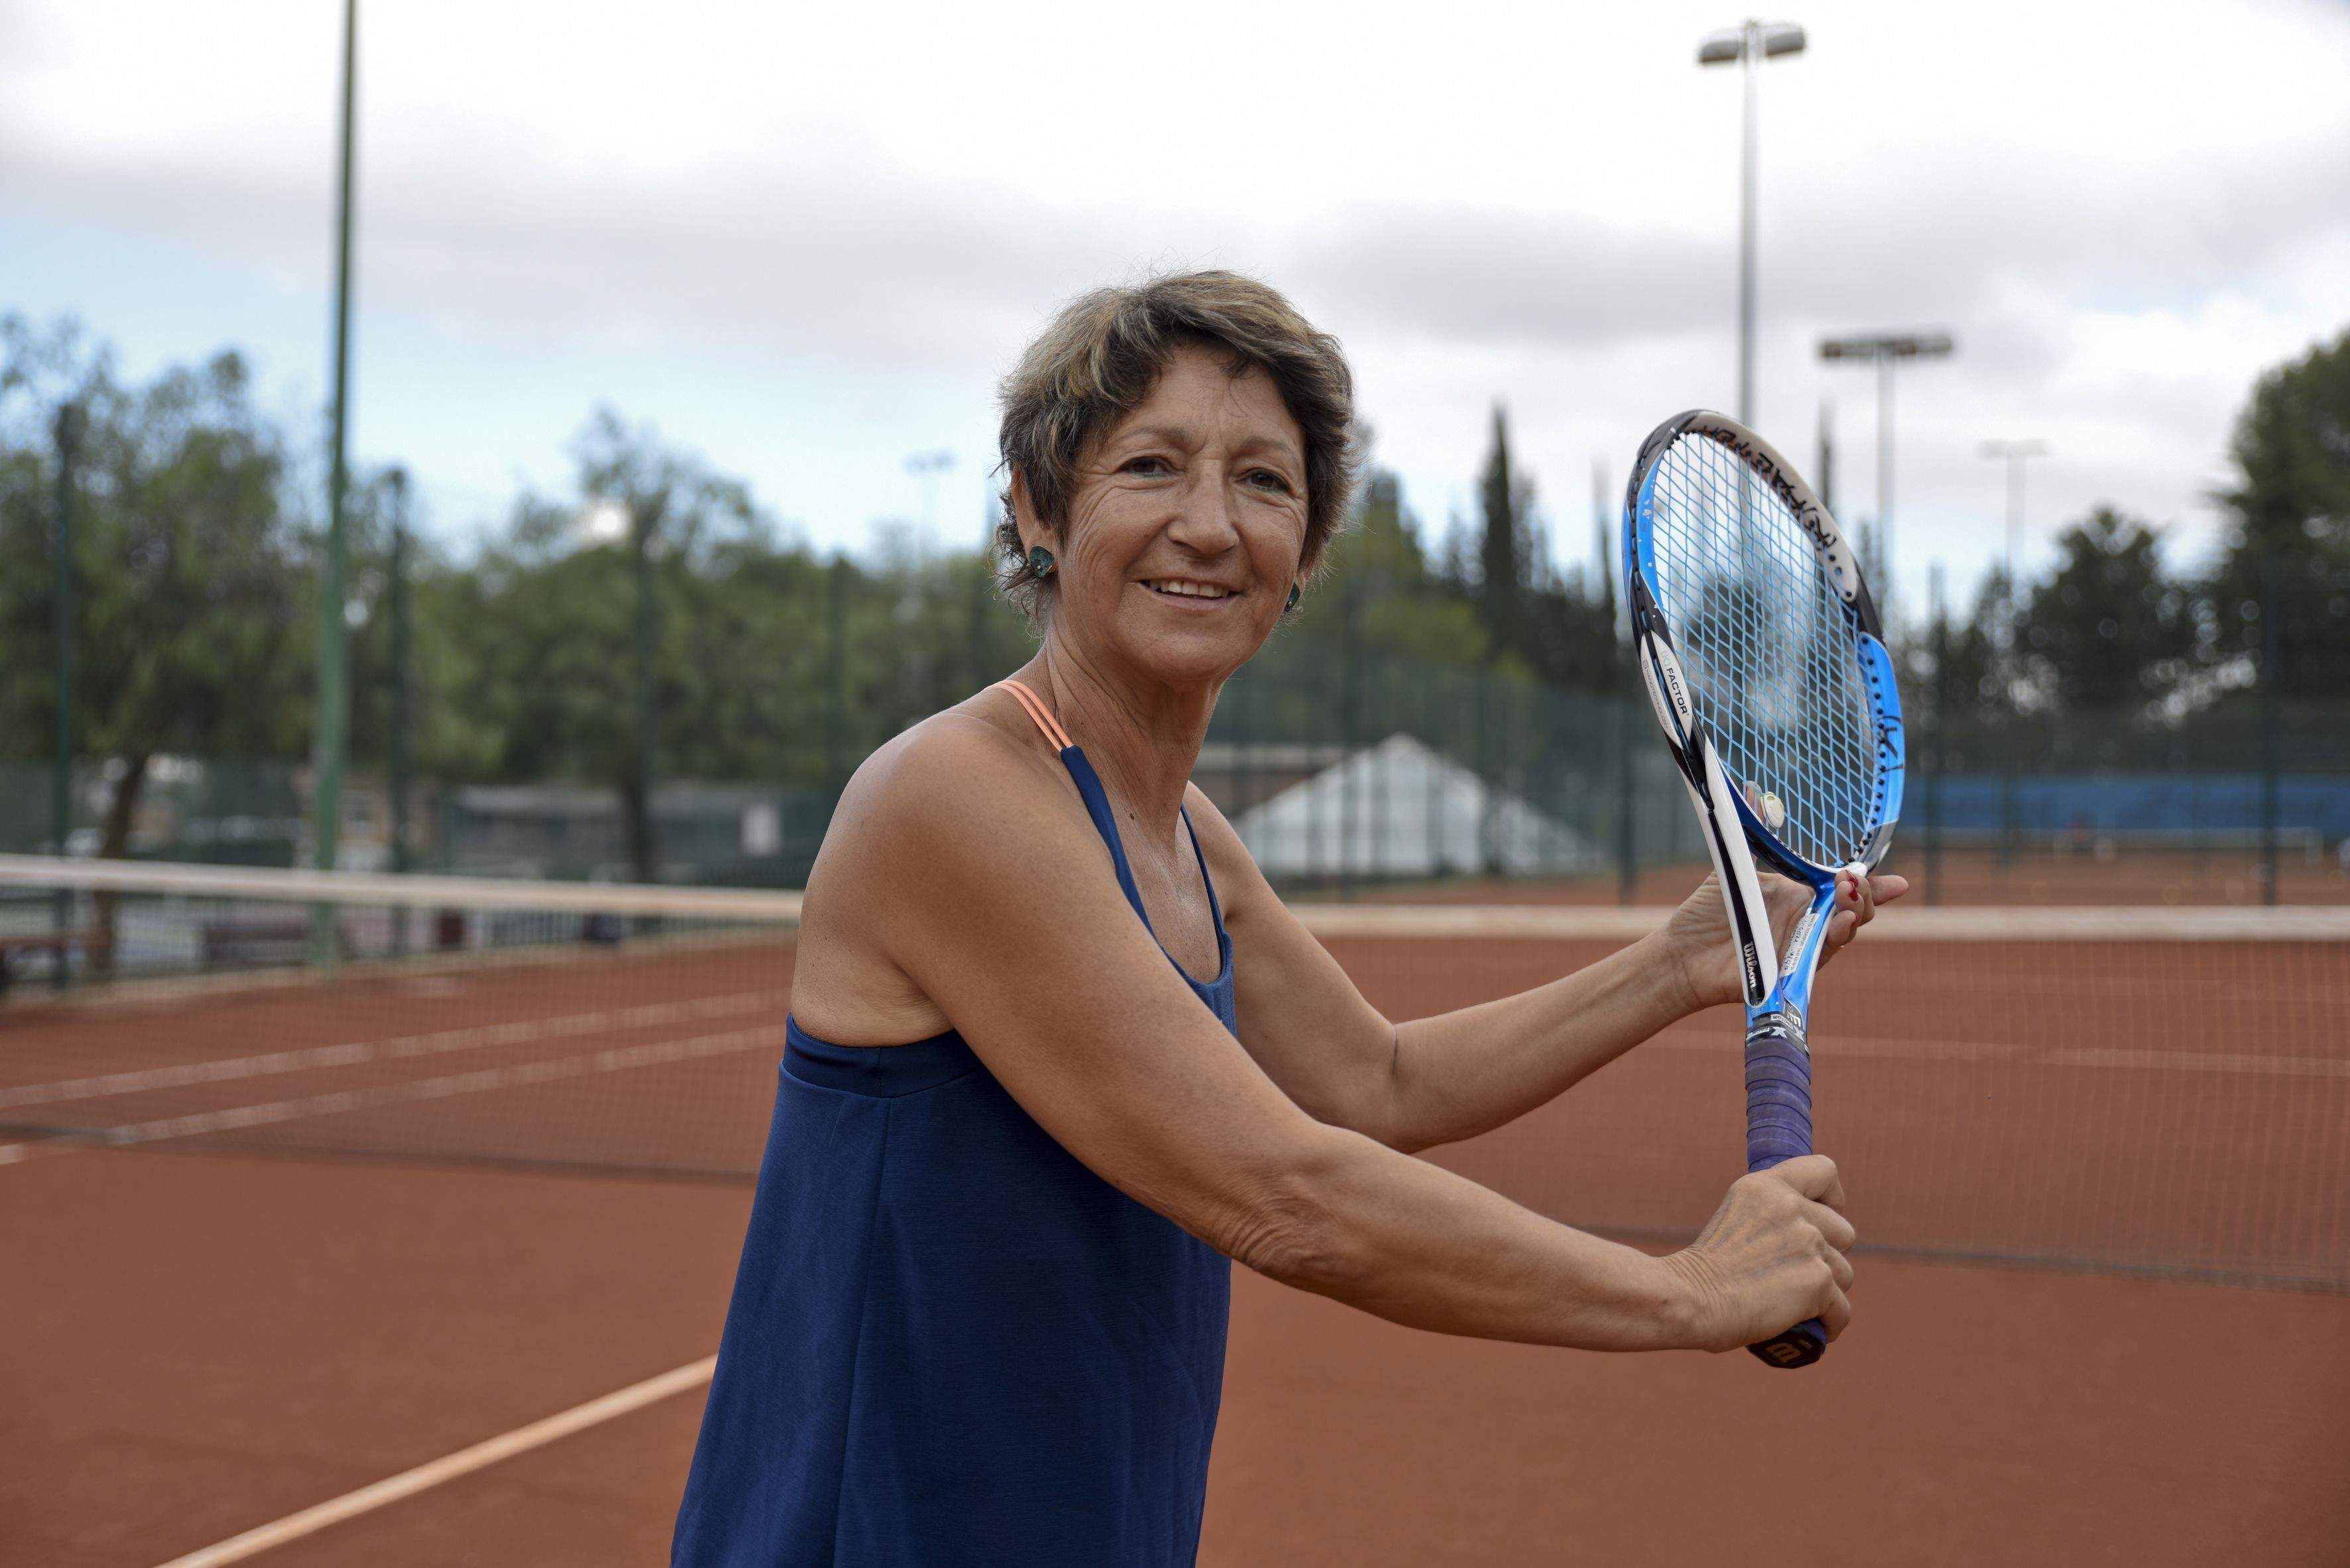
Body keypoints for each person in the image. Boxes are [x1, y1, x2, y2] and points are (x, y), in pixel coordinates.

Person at [671, 271, 1904, 1567]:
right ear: (1036, 510)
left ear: (1304, 550)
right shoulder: (954, 799)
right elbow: (1288, 1192)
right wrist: (1687, 1290)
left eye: (1262, 482)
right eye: (1149, 466)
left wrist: (1671, 964)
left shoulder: (1185, 835)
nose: (1208, 524)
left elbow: (1374, 1082)